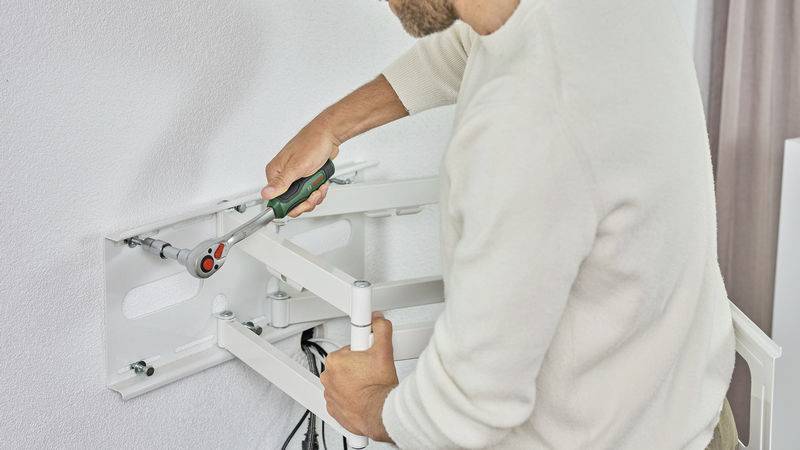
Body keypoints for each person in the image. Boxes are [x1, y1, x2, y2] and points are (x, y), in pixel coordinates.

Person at [261, 0, 737, 448]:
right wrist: (330, 126)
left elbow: (470, 409)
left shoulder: (527, 123)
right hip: (687, 413)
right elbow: (468, 46)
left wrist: (368, 405)